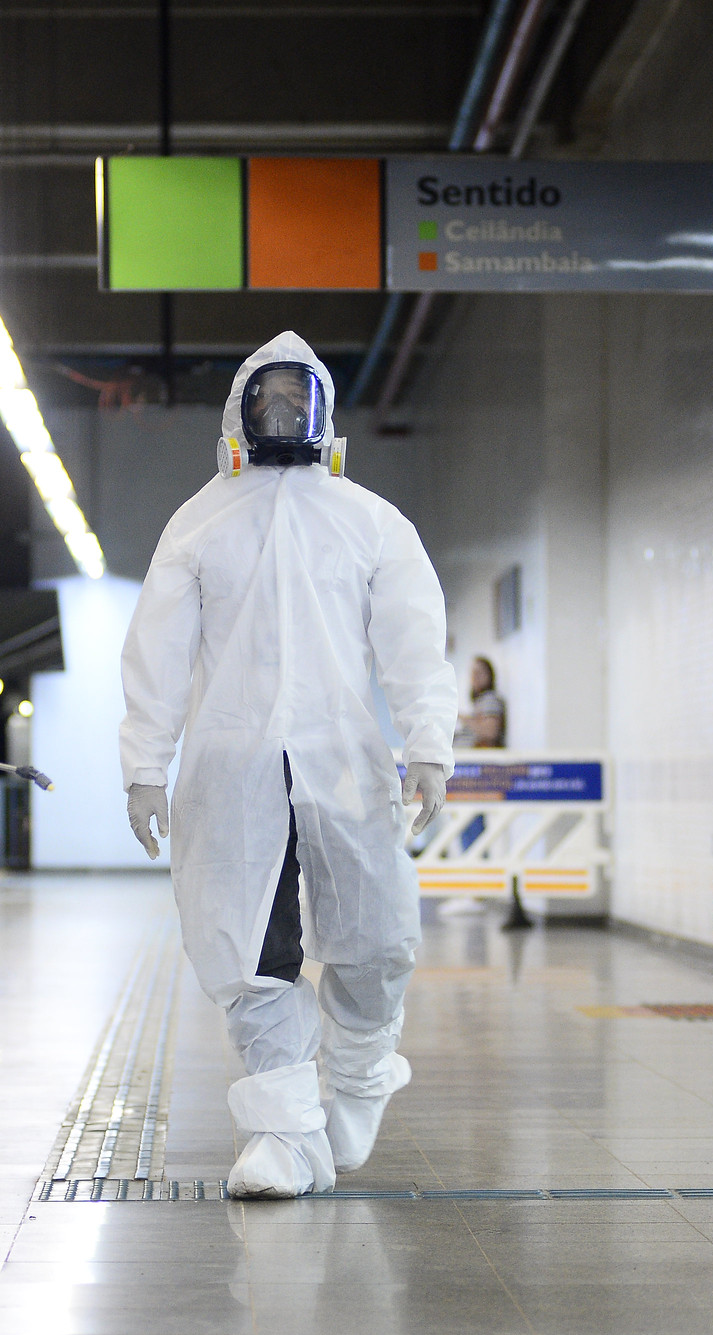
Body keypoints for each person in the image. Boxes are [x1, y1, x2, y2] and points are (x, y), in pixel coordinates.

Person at [120, 332, 458, 1198]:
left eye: (294, 397)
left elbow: (415, 640)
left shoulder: (369, 520)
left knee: (376, 939)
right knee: (248, 946)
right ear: (239, 409)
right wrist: (144, 764)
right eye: (264, 397)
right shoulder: (198, 522)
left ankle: (357, 1070)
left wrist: (429, 745)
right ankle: (282, 1135)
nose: (280, 414)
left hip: (341, 757)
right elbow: (156, 654)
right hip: (233, 770)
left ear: (324, 411)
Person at [454, 656, 506, 748]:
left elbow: (490, 732)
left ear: (489, 675)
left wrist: (461, 717)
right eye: (473, 673)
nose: (475, 677)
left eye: (479, 673)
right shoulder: (480, 701)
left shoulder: (490, 699)